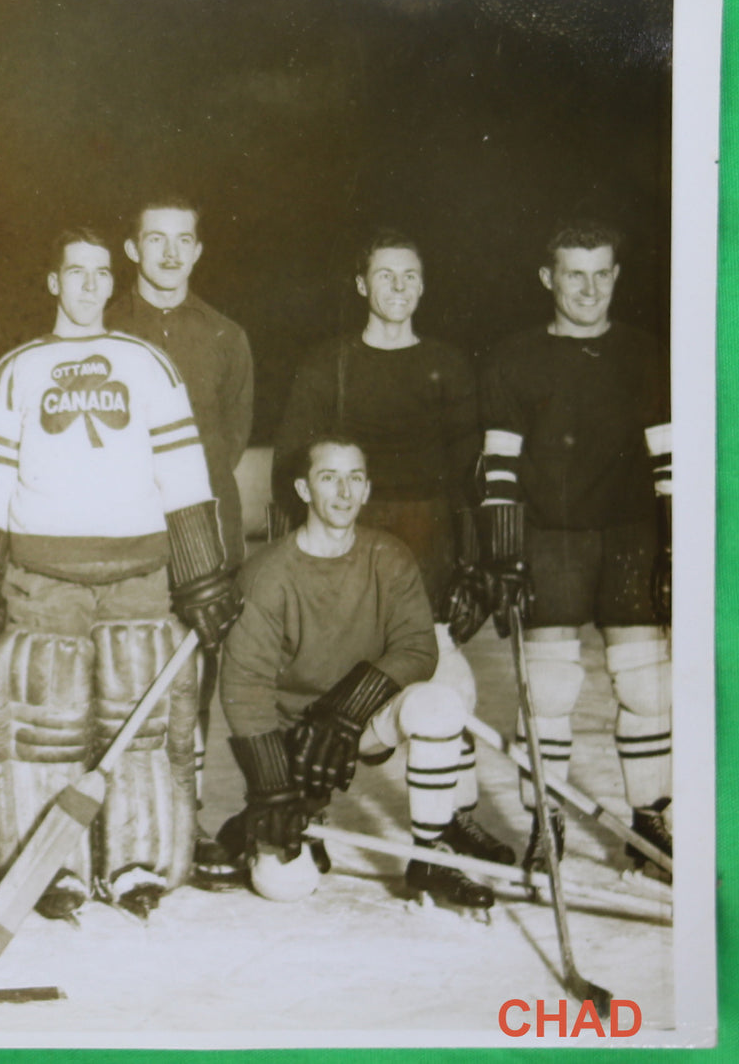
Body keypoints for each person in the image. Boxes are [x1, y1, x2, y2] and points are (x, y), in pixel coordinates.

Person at [0, 229, 242, 921]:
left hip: (138, 575)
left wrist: (202, 573)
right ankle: (51, 869)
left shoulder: (146, 362)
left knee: (138, 722)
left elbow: (182, 469)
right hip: (43, 576)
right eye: (74, 274)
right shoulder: (16, 368)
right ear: (52, 282)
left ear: (112, 284)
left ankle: (137, 861)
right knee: (43, 719)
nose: (88, 286)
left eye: (99, 275)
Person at [270, 230, 510, 865]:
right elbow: (292, 465)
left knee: (440, 675)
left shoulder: (449, 364)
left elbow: (471, 476)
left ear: (423, 286)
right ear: (362, 285)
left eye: (410, 276)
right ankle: (306, 814)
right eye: (385, 276)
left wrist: (477, 561)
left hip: (426, 537)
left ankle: (451, 820)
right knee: (331, 672)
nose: (398, 288)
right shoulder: (330, 363)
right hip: (349, 530)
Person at [219, 436, 497, 912]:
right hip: (294, 738)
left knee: (439, 703)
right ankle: (267, 818)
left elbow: (415, 647)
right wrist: (274, 790)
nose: (344, 493)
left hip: (360, 719)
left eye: (355, 479)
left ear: (367, 490)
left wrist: (347, 709)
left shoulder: (388, 557)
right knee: (286, 884)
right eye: (329, 478)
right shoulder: (267, 572)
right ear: (304, 490)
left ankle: (429, 856)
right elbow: (245, 689)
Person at [477, 221, 671, 880]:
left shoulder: (648, 353)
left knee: (647, 686)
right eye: (572, 274)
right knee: (552, 690)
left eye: (600, 274)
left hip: (629, 534)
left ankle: (651, 822)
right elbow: (498, 464)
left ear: (615, 276)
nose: (587, 289)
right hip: (550, 536)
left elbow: (669, 458)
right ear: (548, 279)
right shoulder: (512, 356)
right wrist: (504, 551)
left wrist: (672, 545)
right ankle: (547, 823)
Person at [107, 198, 256, 858]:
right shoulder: (103, 329)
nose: (171, 252)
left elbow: (230, 440)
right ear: (132, 249)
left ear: (198, 250)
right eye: (156, 239)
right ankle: (117, 821)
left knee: (190, 679)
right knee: (121, 675)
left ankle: (184, 819)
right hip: (122, 529)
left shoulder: (226, 335)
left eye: (184, 240)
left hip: (201, 536)